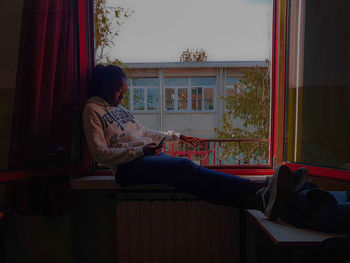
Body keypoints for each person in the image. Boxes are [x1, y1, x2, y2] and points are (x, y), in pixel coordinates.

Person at [82, 64, 307, 220]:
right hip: (126, 169)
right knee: (184, 167)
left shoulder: (119, 109)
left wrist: (175, 136)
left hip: (144, 158)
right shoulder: (92, 110)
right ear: (103, 87)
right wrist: (140, 152)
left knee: (192, 182)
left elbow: (143, 132)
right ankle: (260, 185)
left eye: (124, 91)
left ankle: (260, 202)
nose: (122, 96)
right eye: (118, 90)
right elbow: (100, 153)